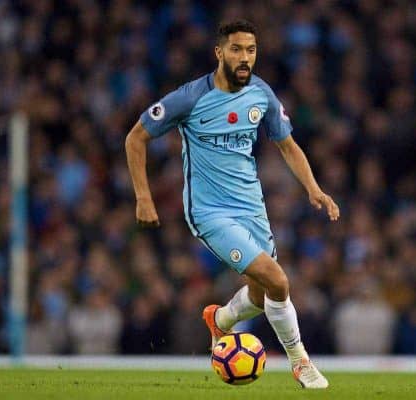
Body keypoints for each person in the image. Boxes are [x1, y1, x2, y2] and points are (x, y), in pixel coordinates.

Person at [125, 19, 339, 389]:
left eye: (251, 50)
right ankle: (300, 362)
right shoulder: (190, 97)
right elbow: (136, 138)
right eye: (237, 49)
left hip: (251, 207)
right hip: (210, 212)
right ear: (219, 52)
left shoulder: (262, 94)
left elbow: (287, 145)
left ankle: (221, 319)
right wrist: (144, 197)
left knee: (263, 293)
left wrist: (313, 188)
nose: (245, 58)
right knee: (278, 279)